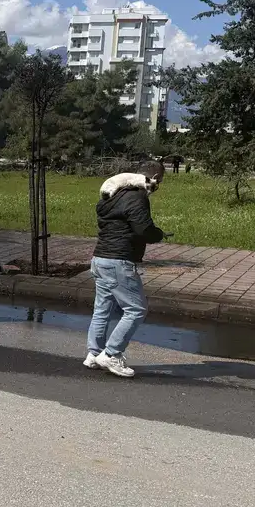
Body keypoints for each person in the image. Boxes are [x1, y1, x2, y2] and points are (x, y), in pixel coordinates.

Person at [85, 160, 168, 378]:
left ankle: (94, 354)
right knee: (136, 309)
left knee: (102, 308)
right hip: (119, 261)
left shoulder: (113, 194)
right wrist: (158, 234)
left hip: (100, 258)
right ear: (155, 178)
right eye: (160, 181)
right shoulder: (137, 197)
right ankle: (111, 354)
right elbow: (143, 229)